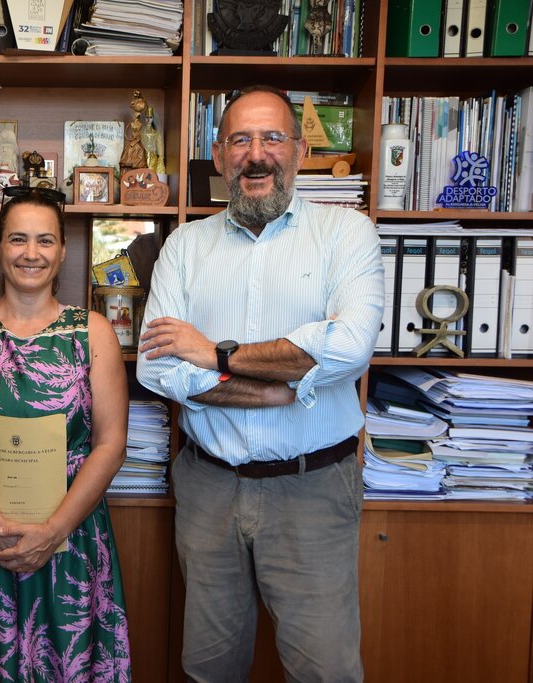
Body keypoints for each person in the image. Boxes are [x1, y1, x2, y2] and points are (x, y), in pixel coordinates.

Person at [136, 85, 384, 681]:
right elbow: (158, 368)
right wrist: (283, 383)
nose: (257, 154)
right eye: (240, 140)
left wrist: (214, 351)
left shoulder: (345, 234)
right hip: (209, 490)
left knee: (326, 671)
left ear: (298, 150)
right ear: (219, 157)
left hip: (313, 490)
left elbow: (349, 349)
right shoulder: (185, 247)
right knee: (208, 669)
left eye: (272, 138)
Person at [0, 187, 132, 681]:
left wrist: (52, 531)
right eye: (18, 239)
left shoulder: (93, 332)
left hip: (72, 536)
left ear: (62, 251)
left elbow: (111, 444)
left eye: (45, 240)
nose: (31, 253)